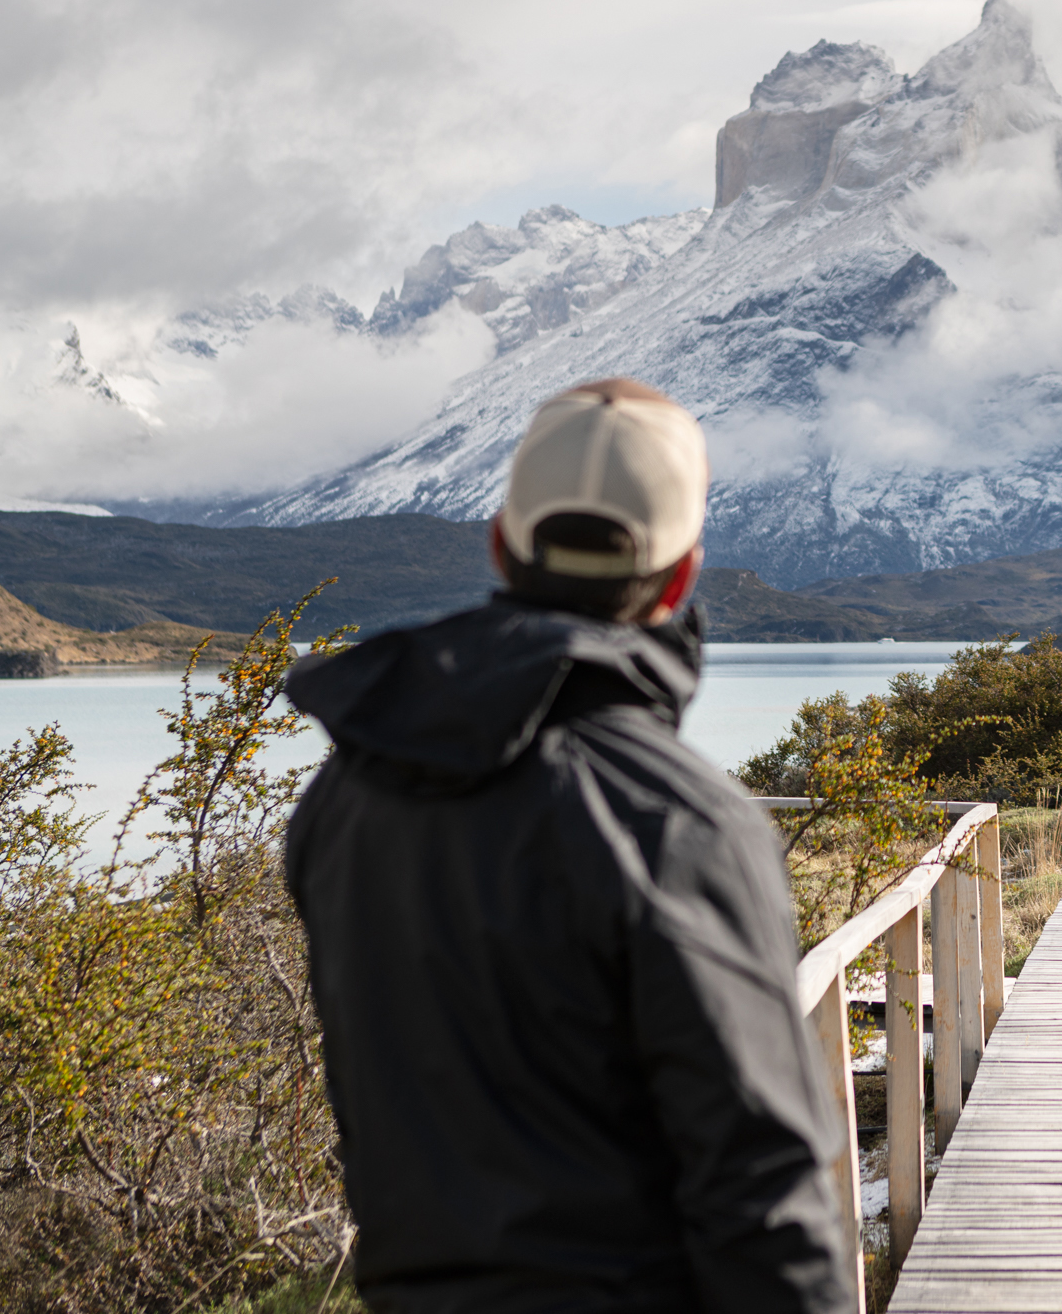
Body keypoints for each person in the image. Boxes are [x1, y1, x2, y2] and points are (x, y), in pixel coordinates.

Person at [284, 378, 854, 1314]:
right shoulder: (679, 820)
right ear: (681, 577)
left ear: (501, 545)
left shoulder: (345, 795)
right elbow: (762, 1181)